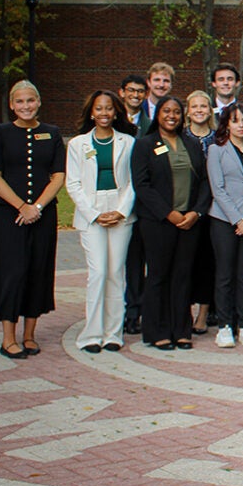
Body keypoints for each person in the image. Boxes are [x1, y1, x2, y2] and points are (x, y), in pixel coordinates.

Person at [0, 81, 66, 359]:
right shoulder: (1, 133)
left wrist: (38, 206)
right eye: (20, 102)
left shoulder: (52, 133)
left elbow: (58, 176)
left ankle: (30, 335)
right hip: (8, 215)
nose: (26, 106)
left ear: (39, 102)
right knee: (12, 272)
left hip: (43, 215)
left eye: (30, 101)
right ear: (12, 105)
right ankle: (8, 338)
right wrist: (22, 206)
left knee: (37, 270)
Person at [131, 96, 210, 351]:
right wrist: (168, 213)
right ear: (158, 114)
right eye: (166, 111)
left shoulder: (191, 144)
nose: (172, 116)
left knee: (183, 276)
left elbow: (205, 182)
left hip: (189, 222)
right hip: (158, 222)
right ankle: (158, 331)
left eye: (176, 111)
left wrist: (196, 213)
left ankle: (181, 330)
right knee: (158, 276)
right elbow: (142, 185)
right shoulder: (145, 144)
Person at [67, 90, 138, 353]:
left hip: (121, 212)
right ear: (91, 112)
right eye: (99, 108)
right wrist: (95, 214)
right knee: (98, 273)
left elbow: (133, 180)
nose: (104, 113)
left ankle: (112, 334)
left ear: (116, 112)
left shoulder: (128, 142)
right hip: (91, 213)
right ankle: (91, 334)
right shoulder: (77, 144)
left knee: (115, 273)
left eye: (109, 108)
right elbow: (72, 184)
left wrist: (120, 211)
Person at [207, 102, 243, 349]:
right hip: (224, 221)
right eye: (235, 120)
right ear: (226, 124)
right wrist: (237, 219)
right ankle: (224, 325)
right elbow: (217, 189)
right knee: (225, 274)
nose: (240, 125)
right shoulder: (216, 150)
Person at [183, 90, 217, 335]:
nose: (199, 110)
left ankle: (203, 314)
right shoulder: (179, 138)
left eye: (203, 106)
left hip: (214, 210)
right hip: (185, 210)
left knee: (208, 263)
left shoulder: (219, 139)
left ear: (210, 110)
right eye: (194, 106)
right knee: (185, 264)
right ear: (188, 110)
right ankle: (183, 310)